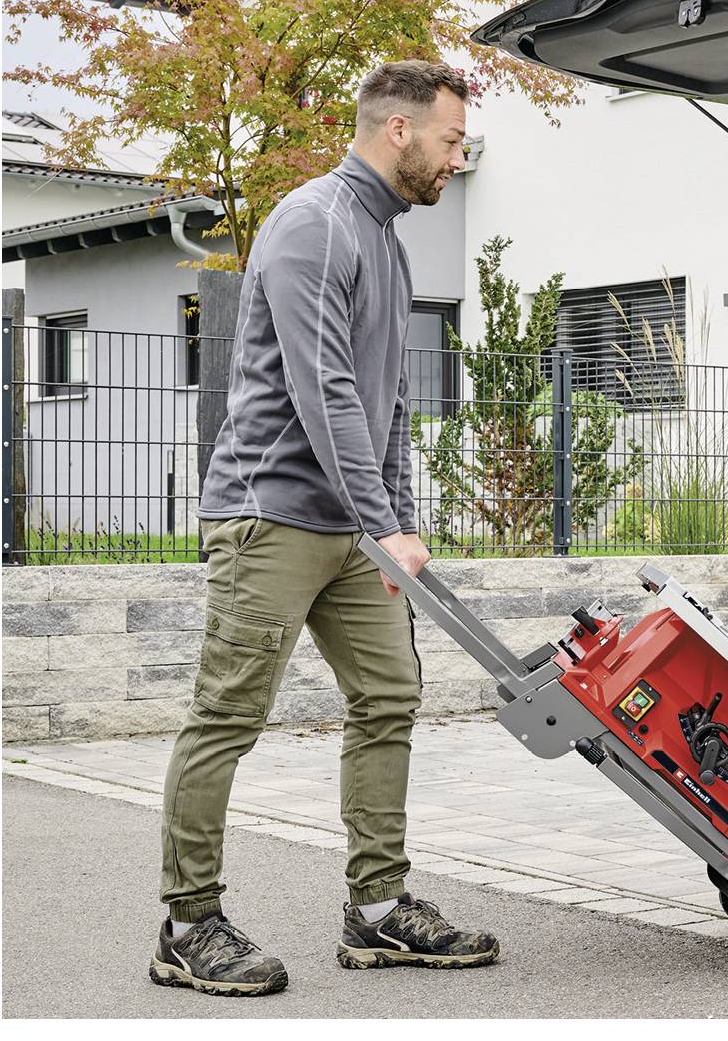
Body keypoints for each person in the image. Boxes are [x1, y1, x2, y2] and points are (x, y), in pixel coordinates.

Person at [150, 61, 497, 996]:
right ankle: (187, 924)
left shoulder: (385, 242)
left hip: (353, 529)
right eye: (451, 140)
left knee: (389, 700)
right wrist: (384, 523)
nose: (457, 159)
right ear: (398, 131)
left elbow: (384, 404)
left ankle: (378, 913)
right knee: (227, 716)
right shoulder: (314, 223)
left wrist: (400, 521)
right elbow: (322, 391)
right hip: (271, 517)